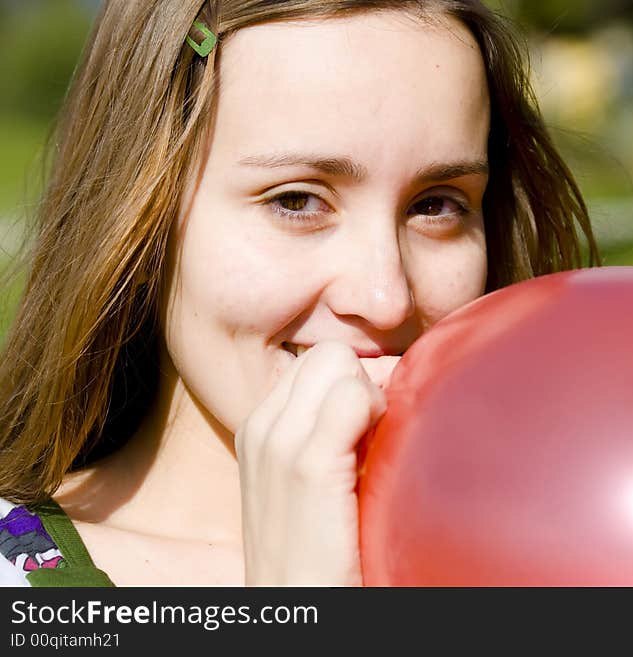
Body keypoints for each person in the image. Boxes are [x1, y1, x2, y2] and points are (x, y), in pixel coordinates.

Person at [0, 0, 600, 586]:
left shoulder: (573, 550)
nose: (385, 297)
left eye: (436, 204)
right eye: (296, 200)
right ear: (140, 217)